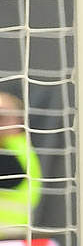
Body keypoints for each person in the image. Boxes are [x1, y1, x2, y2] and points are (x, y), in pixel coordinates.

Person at [0, 92, 41, 236]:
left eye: (1, 116)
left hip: (9, 241)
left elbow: (10, 178)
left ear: (19, 120)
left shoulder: (15, 150)